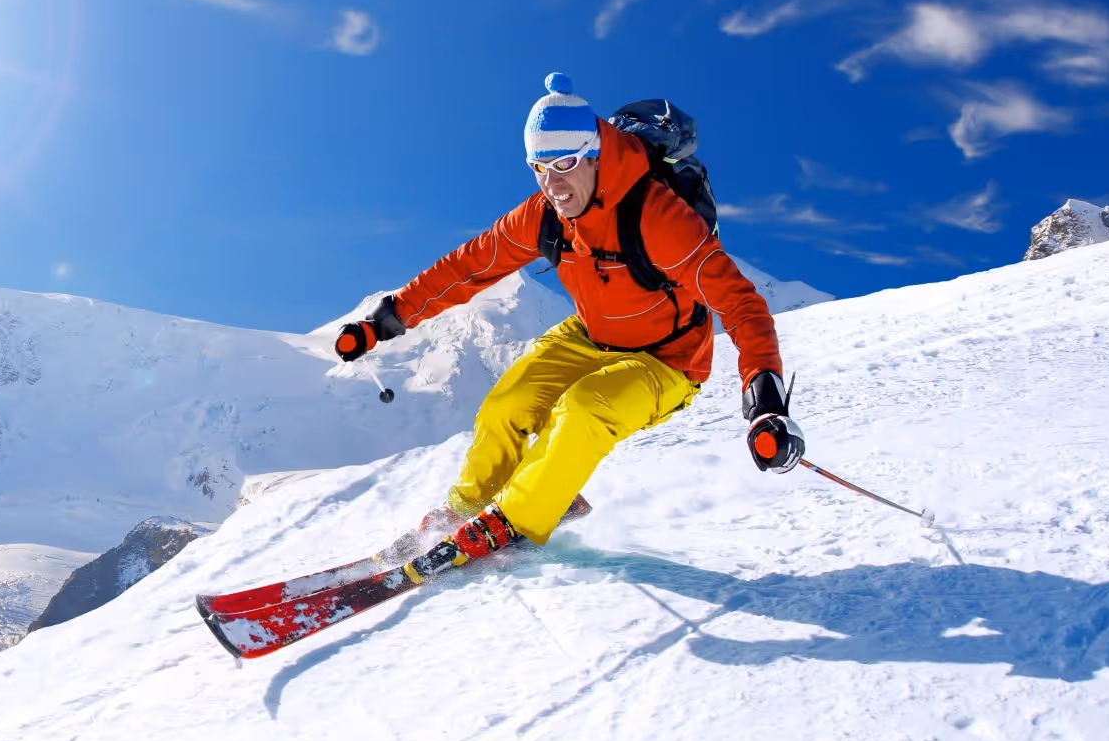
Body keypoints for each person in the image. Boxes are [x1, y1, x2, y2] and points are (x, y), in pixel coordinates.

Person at [334, 73, 805, 571]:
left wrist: (765, 401)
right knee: (506, 404)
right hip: (590, 335)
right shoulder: (544, 215)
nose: (553, 184)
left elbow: (741, 303)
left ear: (596, 153)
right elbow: (468, 267)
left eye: (564, 164)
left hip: (666, 358)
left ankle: (514, 522)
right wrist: (383, 321)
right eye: (539, 168)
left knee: (583, 410)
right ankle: (468, 509)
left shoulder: (657, 216)